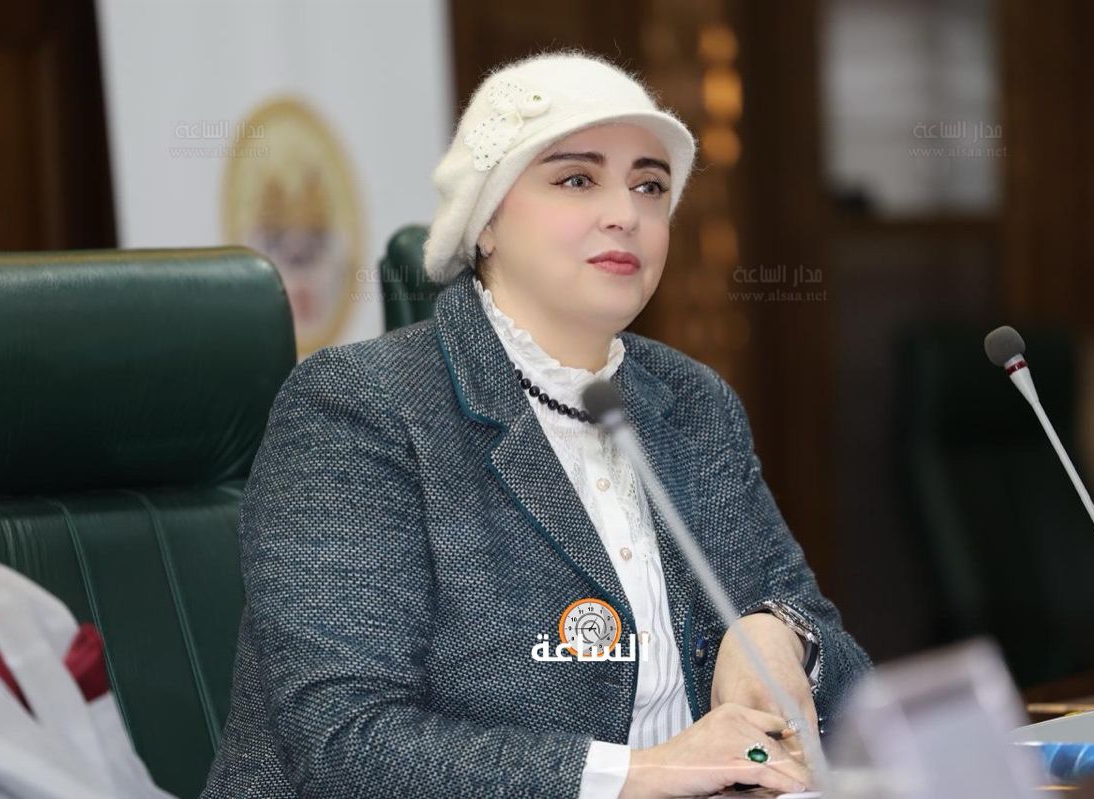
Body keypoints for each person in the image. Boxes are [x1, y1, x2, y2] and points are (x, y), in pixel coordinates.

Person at [202, 51, 871, 799]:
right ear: (485, 221)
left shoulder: (690, 403)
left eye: (650, 186)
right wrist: (644, 774)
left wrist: (781, 635)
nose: (626, 214)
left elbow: (851, 682)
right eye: (577, 179)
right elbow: (347, 744)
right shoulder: (359, 408)